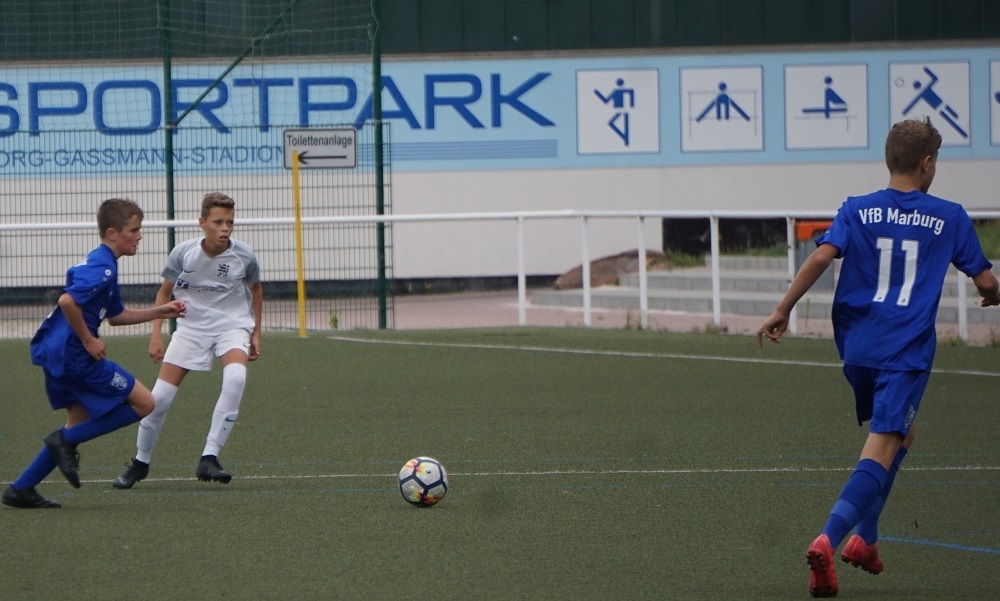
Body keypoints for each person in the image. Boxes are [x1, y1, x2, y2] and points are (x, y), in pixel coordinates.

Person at [756, 117, 1000, 598]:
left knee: (903, 432)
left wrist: (783, 309)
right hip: (904, 350)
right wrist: (993, 295)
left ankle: (866, 538)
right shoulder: (949, 216)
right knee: (882, 445)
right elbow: (985, 281)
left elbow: (821, 257)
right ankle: (828, 540)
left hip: (857, 347)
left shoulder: (857, 208)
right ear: (927, 164)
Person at [2, 198, 187, 509]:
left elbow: (115, 316)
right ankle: (64, 442)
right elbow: (67, 302)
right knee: (145, 403)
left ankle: (21, 489)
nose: (139, 236)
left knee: (77, 421)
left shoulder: (102, 262)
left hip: (55, 352)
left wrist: (160, 311)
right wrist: (88, 340)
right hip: (76, 356)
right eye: (134, 230)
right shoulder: (104, 267)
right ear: (112, 233)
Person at [112, 192, 262, 489]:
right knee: (159, 399)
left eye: (230, 222)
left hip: (232, 326)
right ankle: (140, 462)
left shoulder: (244, 255)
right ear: (202, 223)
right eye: (218, 222)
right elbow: (164, 293)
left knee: (235, 378)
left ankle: (210, 457)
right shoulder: (183, 253)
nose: (225, 228)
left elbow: (256, 291)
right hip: (191, 328)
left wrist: (255, 332)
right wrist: (156, 335)